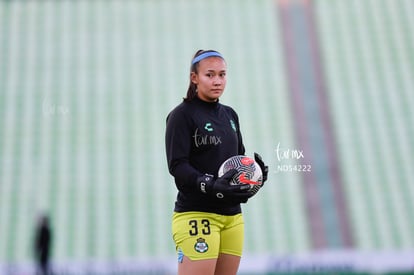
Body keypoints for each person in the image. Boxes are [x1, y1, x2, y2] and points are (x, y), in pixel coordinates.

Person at [165, 49, 269, 275]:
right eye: (209, 75)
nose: (217, 81)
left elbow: (237, 160)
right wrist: (209, 184)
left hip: (232, 217)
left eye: (222, 75)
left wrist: (254, 177)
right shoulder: (181, 116)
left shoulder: (230, 115)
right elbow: (177, 165)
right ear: (194, 78)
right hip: (197, 215)